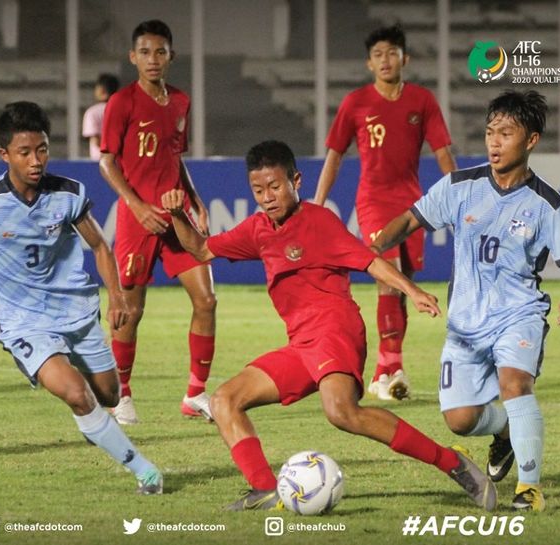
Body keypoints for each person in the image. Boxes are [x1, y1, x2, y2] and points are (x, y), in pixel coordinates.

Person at [161, 140, 497, 512]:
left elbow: (370, 261)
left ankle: (452, 463)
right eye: (259, 190)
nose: (268, 197)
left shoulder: (319, 222)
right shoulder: (257, 229)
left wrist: (412, 291)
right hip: (301, 344)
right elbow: (201, 250)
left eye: (275, 186)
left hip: (336, 330)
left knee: (341, 412)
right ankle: (265, 489)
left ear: (296, 181)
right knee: (225, 400)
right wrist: (179, 215)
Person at [0, 102, 163, 493]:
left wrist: (116, 296)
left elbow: (100, 246)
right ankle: (145, 471)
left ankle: (94, 424)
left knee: (109, 393)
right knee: (77, 394)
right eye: (25, 152)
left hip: (76, 312)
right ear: (4, 155)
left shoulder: (68, 194)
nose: (35, 160)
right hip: (23, 323)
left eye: (42, 149)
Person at [371, 91, 560, 511]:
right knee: (460, 420)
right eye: (490, 132)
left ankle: (529, 488)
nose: (494, 142)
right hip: (466, 322)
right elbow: (411, 219)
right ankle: (505, 432)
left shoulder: (548, 204)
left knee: (514, 385)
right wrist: (378, 243)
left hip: (519, 314)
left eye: (506, 133)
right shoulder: (459, 186)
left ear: (531, 140)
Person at [314, 24, 456, 401]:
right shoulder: (356, 103)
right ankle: (389, 365)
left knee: (402, 285)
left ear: (404, 59)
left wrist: (463, 194)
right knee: (387, 277)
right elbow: (335, 154)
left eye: (392, 53)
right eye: (378, 54)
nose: (385, 60)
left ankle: (386, 369)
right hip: (373, 201)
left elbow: (443, 153)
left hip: (412, 202)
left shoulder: (422, 101)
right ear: (369, 63)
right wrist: (317, 201)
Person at [100, 19, 216, 425]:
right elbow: (107, 161)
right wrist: (134, 206)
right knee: (131, 311)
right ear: (133, 57)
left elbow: (173, 157)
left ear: (171, 56)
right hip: (139, 219)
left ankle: (195, 395)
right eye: (145, 52)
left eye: (160, 51)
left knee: (207, 300)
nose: (153, 59)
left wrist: (196, 199)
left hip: (177, 217)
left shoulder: (181, 102)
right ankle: (123, 395)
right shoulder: (122, 102)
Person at [82, 73, 120, 160]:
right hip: (120, 161)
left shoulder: (92, 112)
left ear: (101, 90)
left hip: (98, 162)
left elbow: (95, 142)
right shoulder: (123, 111)